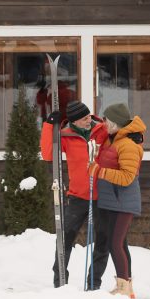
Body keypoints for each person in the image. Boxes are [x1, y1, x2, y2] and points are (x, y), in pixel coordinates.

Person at [40, 99, 108, 288]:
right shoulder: (66, 136)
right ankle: (60, 281)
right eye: (84, 119)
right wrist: (49, 126)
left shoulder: (102, 130)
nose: (89, 121)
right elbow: (48, 154)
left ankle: (94, 283)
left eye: (89, 117)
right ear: (74, 122)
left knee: (103, 242)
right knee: (64, 240)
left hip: (102, 196)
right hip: (78, 197)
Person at [87, 102, 145, 299]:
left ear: (116, 123)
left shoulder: (128, 145)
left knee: (115, 244)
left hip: (123, 202)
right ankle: (125, 285)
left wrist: (99, 171)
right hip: (112, 200)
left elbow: (127, 177)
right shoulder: (114, 140)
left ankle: (124, 288)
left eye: (107, 121)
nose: (105, 124)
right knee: (120, 244)